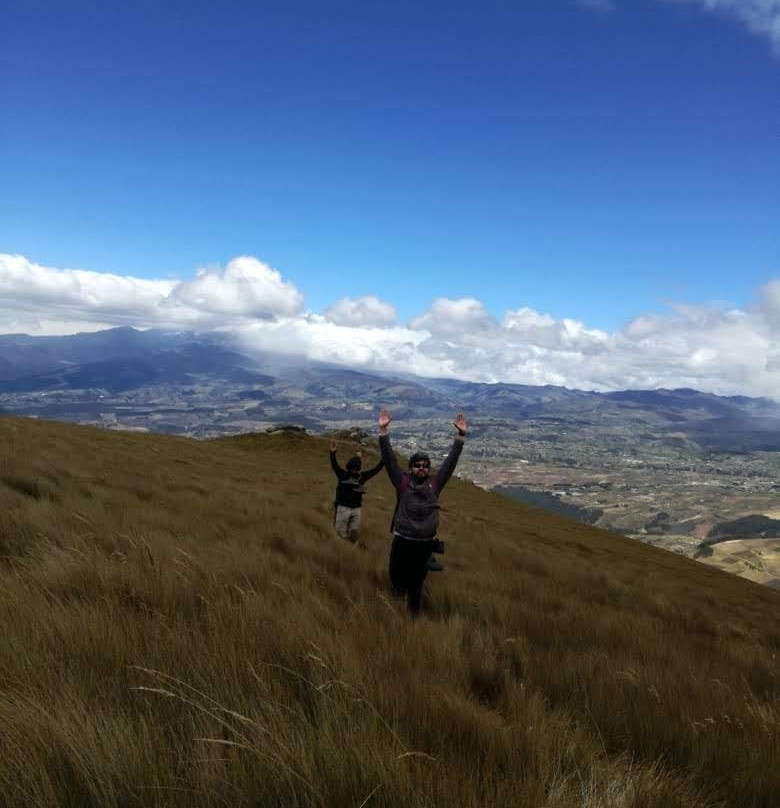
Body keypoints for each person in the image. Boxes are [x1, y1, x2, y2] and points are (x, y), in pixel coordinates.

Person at [378, 408, 467, 615]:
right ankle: (394, 614)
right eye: (417, 465)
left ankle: (412, 619)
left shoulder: (435, 485)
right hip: (403, 541)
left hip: (424, 545)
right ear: (410, 468)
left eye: (425, 466)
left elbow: (450, 464)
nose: (421, 468)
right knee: (397, 580)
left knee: (416, 585)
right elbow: (389, 460)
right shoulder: (402, 483)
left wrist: (461, 436)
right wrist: (383, 432)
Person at [329, 440, 384, 544]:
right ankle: (340, 550)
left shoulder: (361, 476)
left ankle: (349, 549)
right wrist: (332, 453)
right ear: (349, 468)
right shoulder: (343, 475)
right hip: (343, 507)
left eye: (356, 469)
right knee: (340, 534)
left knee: (352, 533)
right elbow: (334, 466)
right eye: (353, 469)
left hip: (356, 509)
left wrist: (384, 460)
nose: (355, 471)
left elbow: (375, 470)